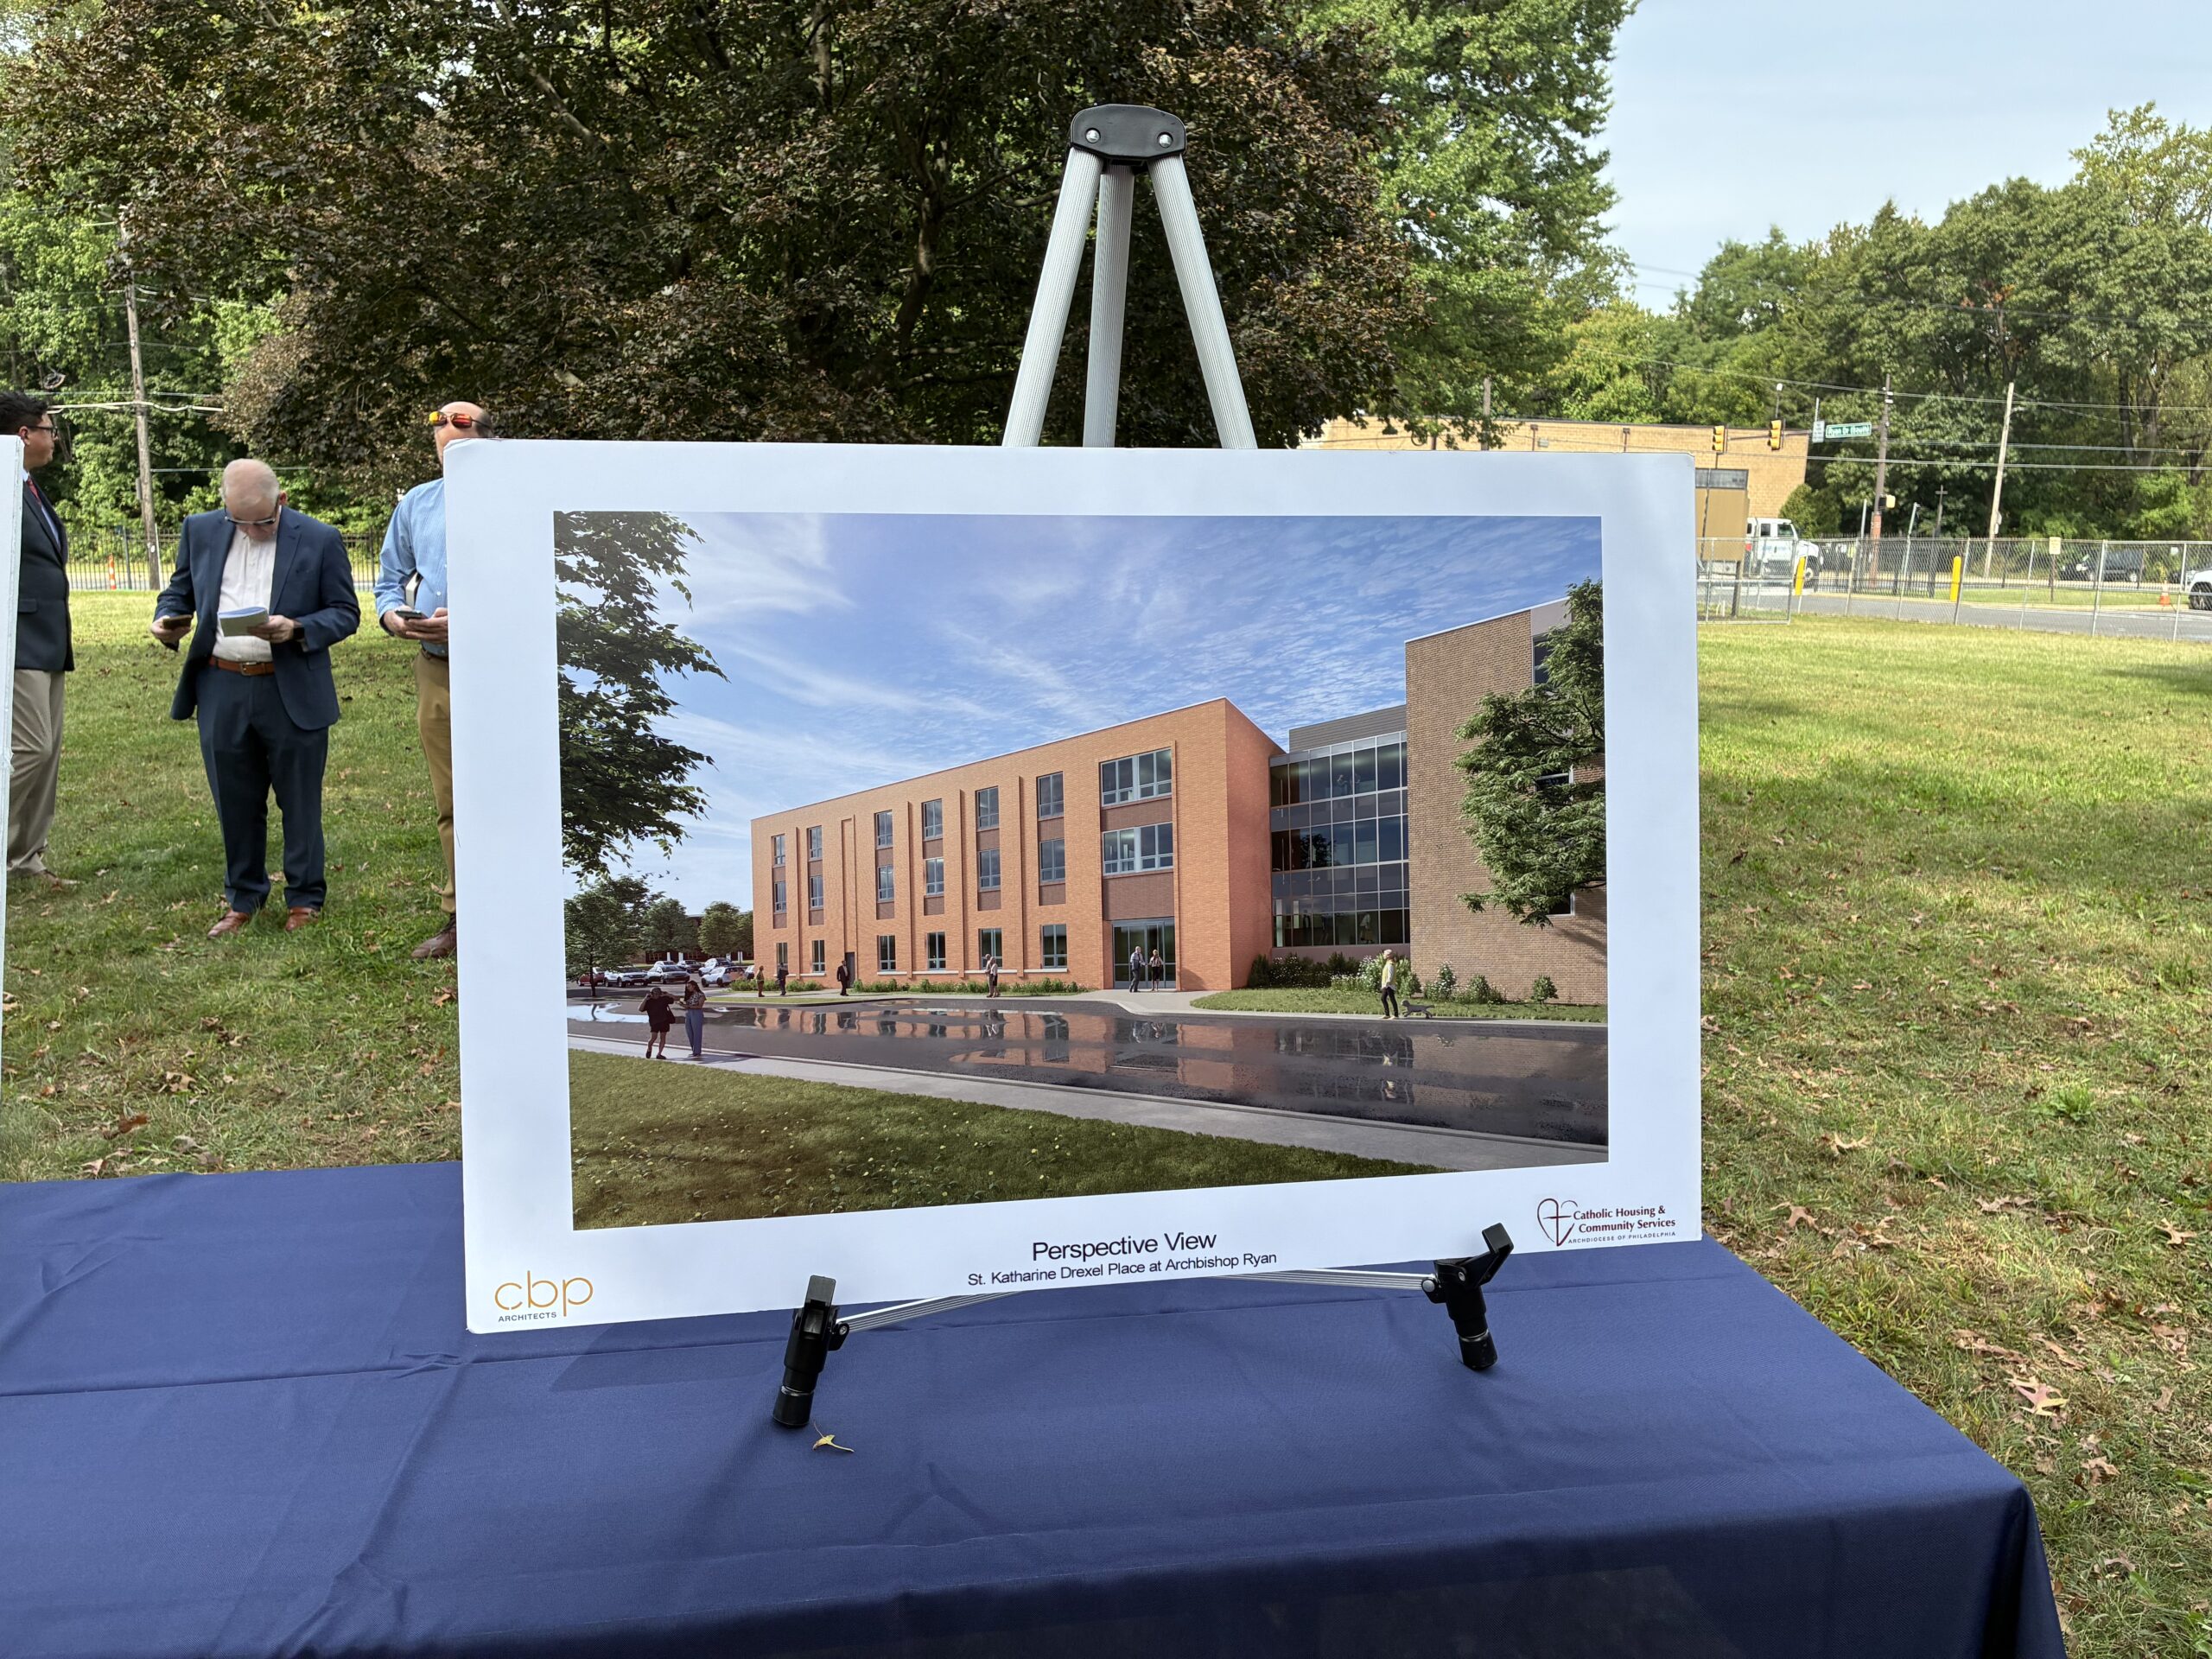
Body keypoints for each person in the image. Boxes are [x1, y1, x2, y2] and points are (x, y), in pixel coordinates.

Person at [149, 461, 360, 937]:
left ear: (281, 501)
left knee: (299, 799)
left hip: (289, 684)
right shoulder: (200, 529)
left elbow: (346, 613)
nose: (251, 530)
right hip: (221, 683)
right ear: (225, 509)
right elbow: (179, 592)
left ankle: (305, 899)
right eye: (239, 522)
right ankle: (243, 897)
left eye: (262, 521)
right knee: (235, 798)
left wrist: (298, 627)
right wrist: (166, 620)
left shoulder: (320, 538)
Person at [374, 399, 496, 960]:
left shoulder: (516, 499)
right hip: (437, 670)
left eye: (460, 421)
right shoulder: (417, 504)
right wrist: (394, 616)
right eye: (437, 423)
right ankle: (461, 918)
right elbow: (389, 581)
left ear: (487, 435)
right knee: (453, 800)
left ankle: (523, 910)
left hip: (503, 670)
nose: (446, 429)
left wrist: (477, 618)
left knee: (513, 792)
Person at [7, 393, 71, 883]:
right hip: (18, 638)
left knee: (47, 752)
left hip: (49, 637)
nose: (54, 439)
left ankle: (25, 859)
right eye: (49, 429)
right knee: (30, 747)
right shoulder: (3, 489)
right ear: (25, 434)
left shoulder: (29, 487)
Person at [639, 982, 675, 1058]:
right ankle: (649, 1049)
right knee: (653, 1037)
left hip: (664, 1021)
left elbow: (675, 999)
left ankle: (659, 1054)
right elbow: (640, 1009)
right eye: (655, 994)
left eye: (658, 994)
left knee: (663, 1037)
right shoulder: (649, 1001)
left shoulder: (664, 999)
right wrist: (645, 999)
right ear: (651, 994)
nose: (656, 995)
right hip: (654, 1022)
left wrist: (667, 994)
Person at [681, 969, 708, 1059]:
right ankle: (693, 1050)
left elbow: (700, 1006)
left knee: (697, 1033)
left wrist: (689, 1006)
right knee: (689, 1031)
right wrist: (683, 1005)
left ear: (694, 986)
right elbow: (687, 1005)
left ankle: (697, 1051)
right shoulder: (690, 995)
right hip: (689, 1013)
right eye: (687, 987)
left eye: (689, 986)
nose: (688, 988)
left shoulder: (701, 995)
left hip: (697, 1013)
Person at [1377, 949, 1401, 1020]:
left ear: (1388, 956)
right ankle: (1387, 1014)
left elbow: (1390, 975)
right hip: (1386, 985)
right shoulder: (1388, 963)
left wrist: (1387, 984)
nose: (1383, 955)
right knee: (1383, 998)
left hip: (1389, 985)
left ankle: (1396, 1015)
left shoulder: (1390, 964)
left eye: (1384, 954)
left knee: (1392, 999)